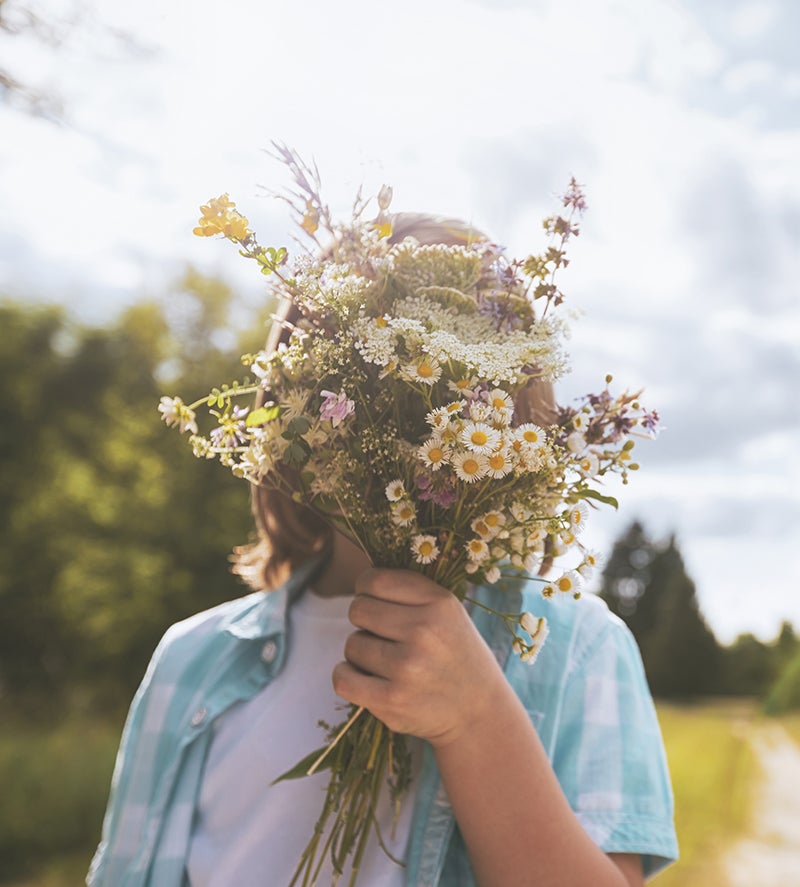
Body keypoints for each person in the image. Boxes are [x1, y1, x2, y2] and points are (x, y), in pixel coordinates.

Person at [88, 214, 678, 887]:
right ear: (288, 406)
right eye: (359, 371)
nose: (408, 413)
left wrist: (477, 718)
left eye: (452, 380)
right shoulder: (191, 663)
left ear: (513, 413)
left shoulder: (575, 648)